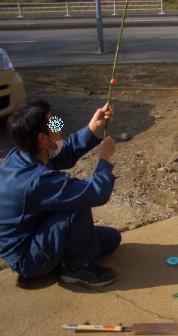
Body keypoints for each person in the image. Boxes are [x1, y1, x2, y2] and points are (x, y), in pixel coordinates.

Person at [0, 100, 120, 288]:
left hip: (37, 233)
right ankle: (75, 269)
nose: (58, 123)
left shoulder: (23, 154)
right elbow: (96, 192)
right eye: (53, 122)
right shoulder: (35, 181)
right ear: (41, 138)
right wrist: (104, 159)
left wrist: (92, 127)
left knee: (112, 239)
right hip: (28, 257)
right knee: (77, 204)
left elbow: (63, 154)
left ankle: (61, 260)